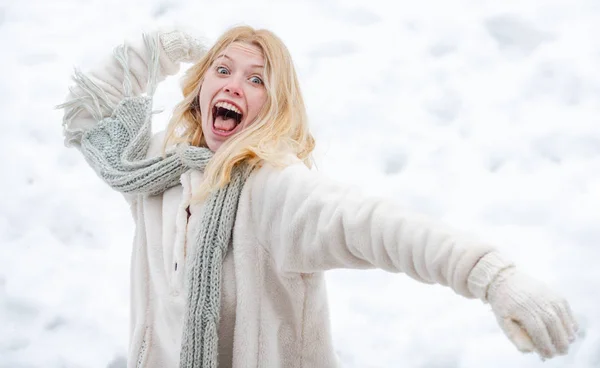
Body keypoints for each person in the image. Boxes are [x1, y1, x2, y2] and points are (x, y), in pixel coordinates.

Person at [56, 26, 578, 368]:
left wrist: (492, 274)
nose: (234, 84)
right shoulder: (154, 173)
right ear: (199, 90)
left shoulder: (275, 191)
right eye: (223, 69)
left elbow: (377, 226)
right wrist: (154, 51)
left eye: (256, 78)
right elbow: (85, 117)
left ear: (275, 106)